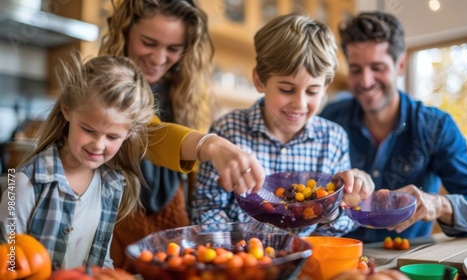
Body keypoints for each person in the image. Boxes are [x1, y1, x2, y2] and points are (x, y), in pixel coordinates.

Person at [320, 11, 467, 243]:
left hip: (406, 262)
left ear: (401, 64)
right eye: (356, 69)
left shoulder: (436, 127)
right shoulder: (330, 119)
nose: (365, 81)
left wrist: (437, 204)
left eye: (377, 67)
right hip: (339, 259)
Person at [191, 13, 375, 237]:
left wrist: (333, 208)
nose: (299, 103)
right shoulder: (228, 132)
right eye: (286, 89)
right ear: (260, 80)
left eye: (312, 91)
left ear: (325, 88)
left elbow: (343, 224)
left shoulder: (333, 138)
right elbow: (205, 210)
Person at [98, 0, 229, 269]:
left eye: (173, 49)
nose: (159, 59)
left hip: (171, 247)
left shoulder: (186, 93)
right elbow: (149, 132)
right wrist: (210, 145)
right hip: (114, 243)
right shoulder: (101, 84)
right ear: (125, 32)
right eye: (148, 42)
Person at [0, 54, 157, 269]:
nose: (98, 145)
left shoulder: (112, 185)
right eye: (88, 130)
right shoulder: (24, 183)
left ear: (129, 133)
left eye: (112, 137)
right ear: (67, 110)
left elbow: (102, 260)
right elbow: (7, 263)